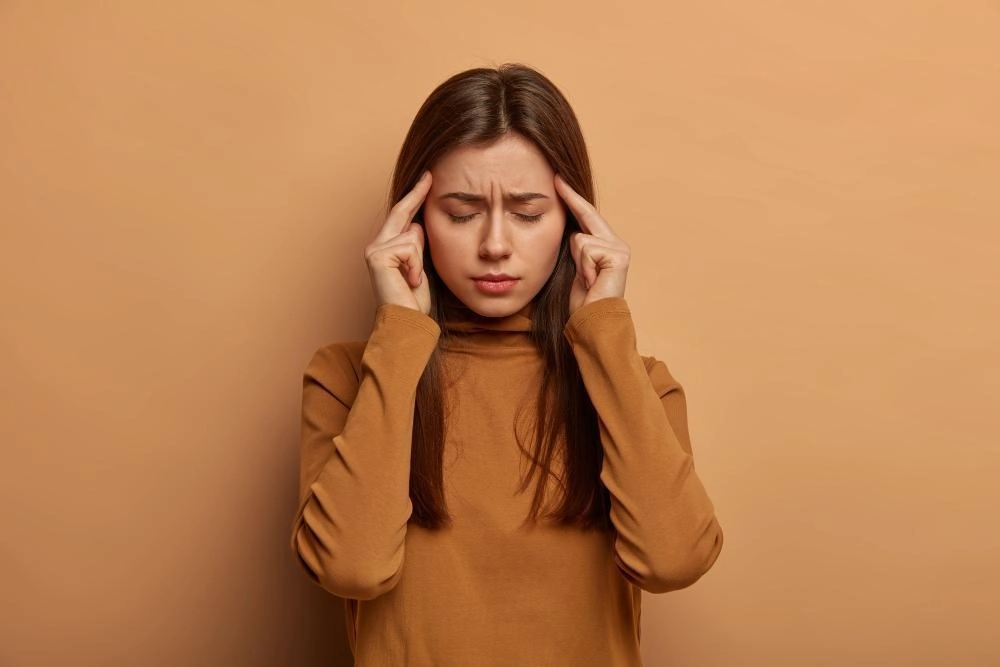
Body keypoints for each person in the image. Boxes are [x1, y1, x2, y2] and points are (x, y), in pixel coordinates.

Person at [290, 63, 723, 666]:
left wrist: (604, 335)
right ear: (411, 226)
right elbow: (351, 567)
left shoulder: (636, 382)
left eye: (527, 213)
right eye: (462, 213)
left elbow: (675, 560)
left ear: (574, 225)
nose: (495, 243)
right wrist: (401, 338)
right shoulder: (347, 379)